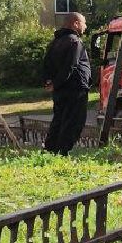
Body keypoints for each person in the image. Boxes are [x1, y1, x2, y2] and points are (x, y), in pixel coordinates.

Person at [42, 12, 92, 156]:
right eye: (84, 23)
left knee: (59, 120)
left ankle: (50, 150)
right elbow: (70, 66)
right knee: (74, 122)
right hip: (75, 89)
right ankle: (63, 152)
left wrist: (49, 82)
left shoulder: (54, 42)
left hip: (60, 91)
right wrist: (56, 83)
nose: (85, 26)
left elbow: (46, 65)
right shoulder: (74, 41)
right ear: (76, 23)